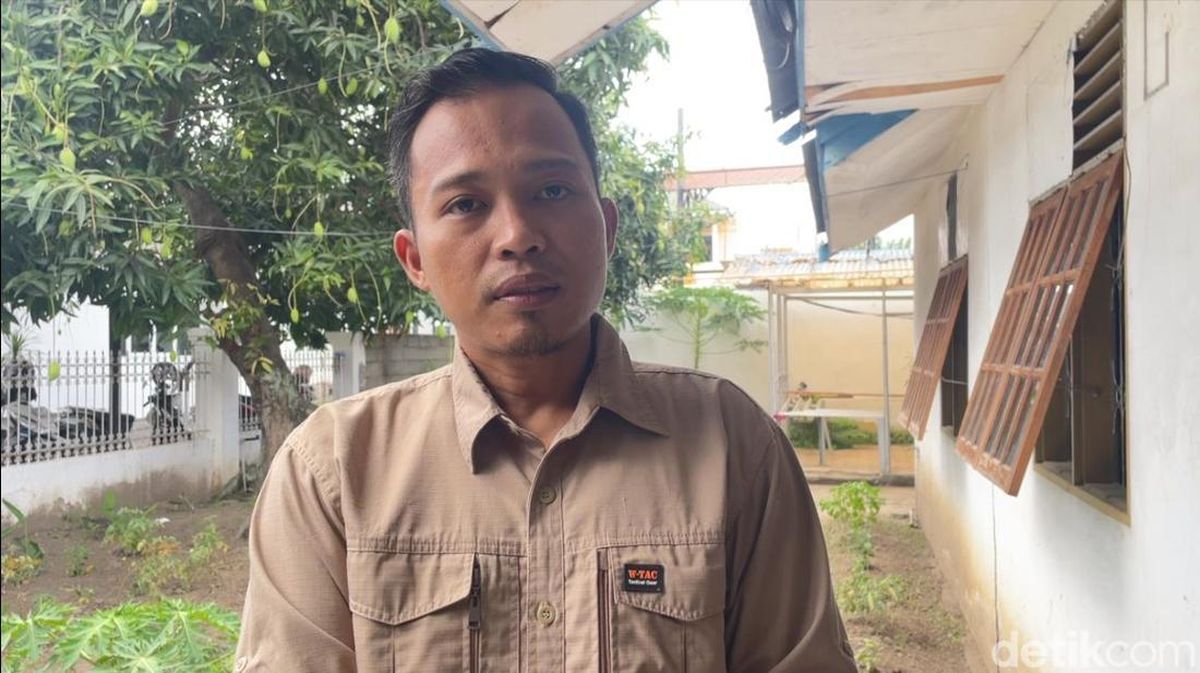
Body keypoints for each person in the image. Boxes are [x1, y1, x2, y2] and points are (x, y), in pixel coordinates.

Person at [234, 47, 856, 673]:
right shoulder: (333, 472)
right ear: (414, 259)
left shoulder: (733, 446)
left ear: (607, 228)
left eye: (552, 190)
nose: (517, 236)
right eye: (466, 204)